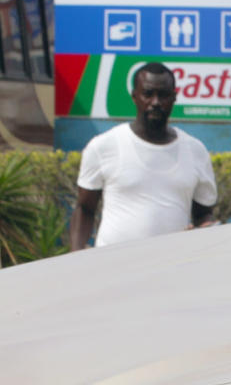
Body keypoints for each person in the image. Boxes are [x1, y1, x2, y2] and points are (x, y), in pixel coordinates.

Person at [71, 63, 219, 250]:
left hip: (173, 263)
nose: (155, 102)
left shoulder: (196, 151)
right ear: (135, 96)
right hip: (113, 263)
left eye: (163, 95)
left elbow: (204, 215)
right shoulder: (104, 146)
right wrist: (74, 259)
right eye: (148, 94)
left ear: (174, 97)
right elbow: (85, 209)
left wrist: (207, 229)